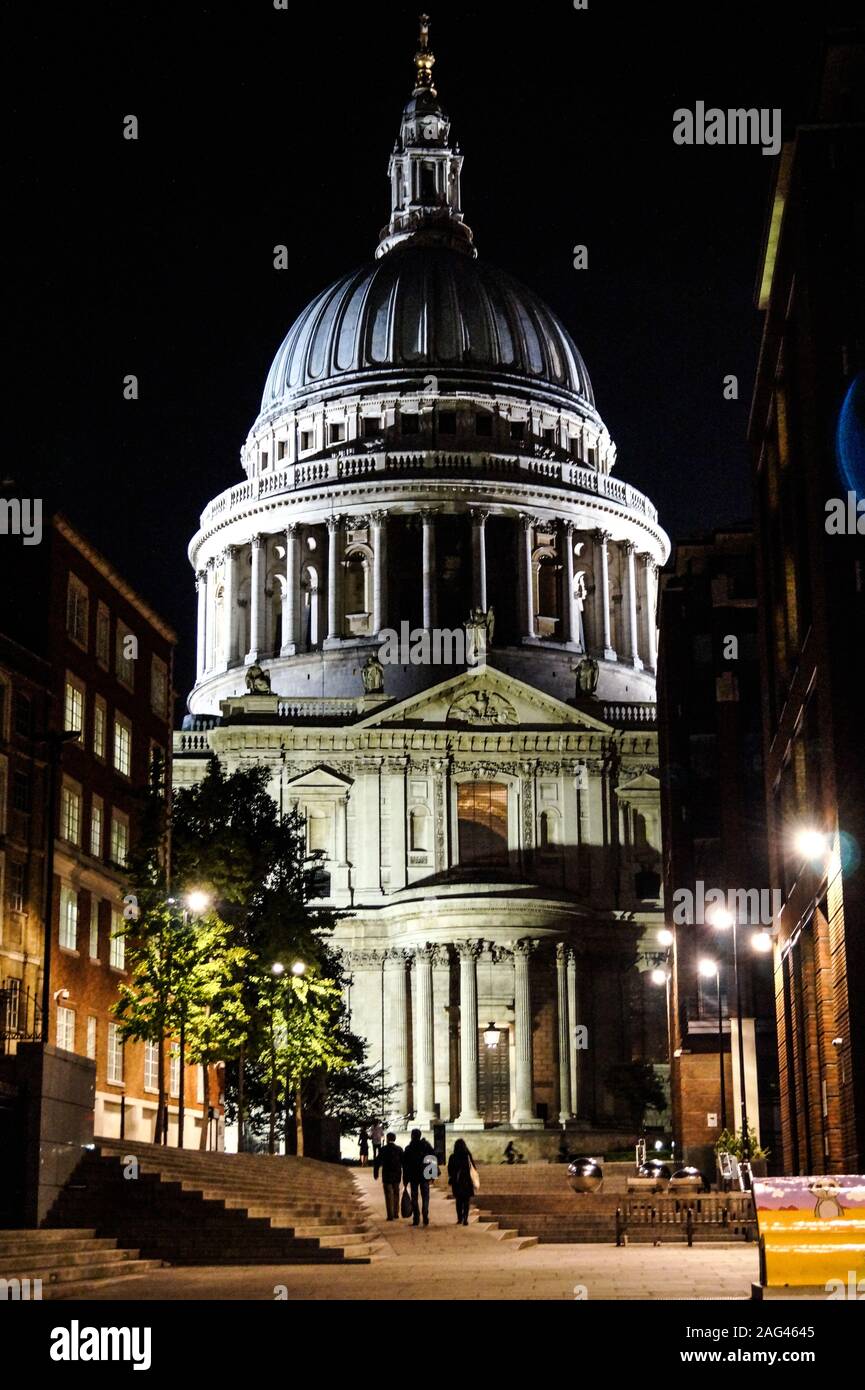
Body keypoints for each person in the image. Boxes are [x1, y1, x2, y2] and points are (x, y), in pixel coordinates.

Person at [402, 1127, 436, 1227]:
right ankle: (425, 1213)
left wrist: (405, 1179)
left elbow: (405, 1165)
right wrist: (432, 1175)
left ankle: (416, 1218)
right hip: (425, 1175)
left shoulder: (409, 1148)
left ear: (412, 1136)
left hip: (413, 1176)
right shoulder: (426, 1146)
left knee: (414, 1197)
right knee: (425, 1196)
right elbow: (432, 1158)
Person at [374, 1132, 404, 1220]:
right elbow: (404, 1162)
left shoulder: (383, 1149)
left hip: (387, 1175)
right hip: (397, 1175)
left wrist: (376, 1173)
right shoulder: (399, 1149)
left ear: (387, 1139)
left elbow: (377, 1161)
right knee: (396, 1193)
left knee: (388, 1195)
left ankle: (390, 1215)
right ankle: (396, 1212)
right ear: (394, 1139)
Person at [447, 1139, 476, 1226]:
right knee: (466, 1201)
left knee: (459, 1201)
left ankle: (459, 1218)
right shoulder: (467, 1156)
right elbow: (473, 1168)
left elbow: (450, 1169)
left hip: (457, 1182)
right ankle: (465, 1219)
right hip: (466, 1181)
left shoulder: (452, 1157)